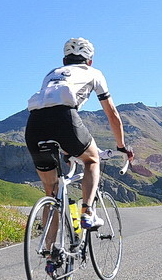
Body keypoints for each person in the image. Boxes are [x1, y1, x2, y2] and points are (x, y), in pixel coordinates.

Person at [25, 37, 134, 229]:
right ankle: (87, 212)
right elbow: (112, 114)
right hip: (64, 118)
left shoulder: (52, 73)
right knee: (92, 160)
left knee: (51, 193)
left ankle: (50, 254)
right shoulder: (94, 73)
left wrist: (68, 150)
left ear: (64, 60)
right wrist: (121, 146)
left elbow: (49, 107)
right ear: (89, 61)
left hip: (34, 124)